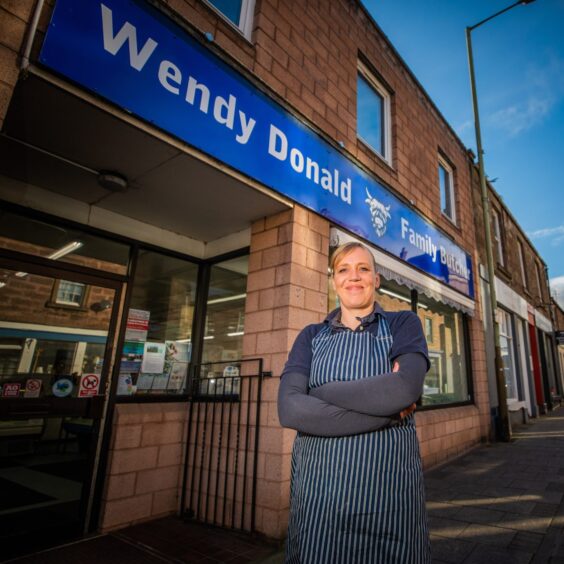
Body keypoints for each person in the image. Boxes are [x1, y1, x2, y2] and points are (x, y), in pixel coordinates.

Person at [278, 242, 431, 564]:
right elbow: (290, 408)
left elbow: (405, 388)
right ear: (334, 280)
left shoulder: (404, 324)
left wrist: (319, 392)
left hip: (388, 491)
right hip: (319, 494)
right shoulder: (310, 336)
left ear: (376, 279)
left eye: (363, 269)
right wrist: (389, 414)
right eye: (344, 269)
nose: (354, 277)